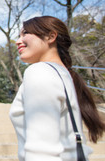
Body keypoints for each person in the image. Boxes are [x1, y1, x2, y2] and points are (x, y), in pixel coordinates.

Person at [10, 16, 105, 161]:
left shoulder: (39, 71)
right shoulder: (64, 75)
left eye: (25, 33)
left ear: (50, 36)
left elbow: (41, 151)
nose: (18, 41)